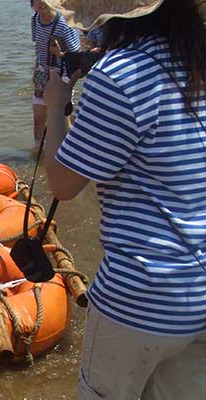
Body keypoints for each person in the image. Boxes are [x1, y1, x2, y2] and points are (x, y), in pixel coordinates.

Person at [42, 0, 206, 398]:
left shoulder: (120, 75)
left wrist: (54, 106)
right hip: (198, 295)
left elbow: (64, 184)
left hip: (139, 296)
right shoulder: (196, 66)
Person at [30, 0, 79, 147]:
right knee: (38, 117)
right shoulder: (34, 19)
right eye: (36, 0)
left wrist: (60, 53)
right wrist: (36, 69)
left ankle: (66, 149)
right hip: (42, 73)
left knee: (60, 118)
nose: (40, 3)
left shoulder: (64, 22)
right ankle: (38, 150)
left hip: (61, 74)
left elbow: (76, 55)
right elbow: (38, 47)